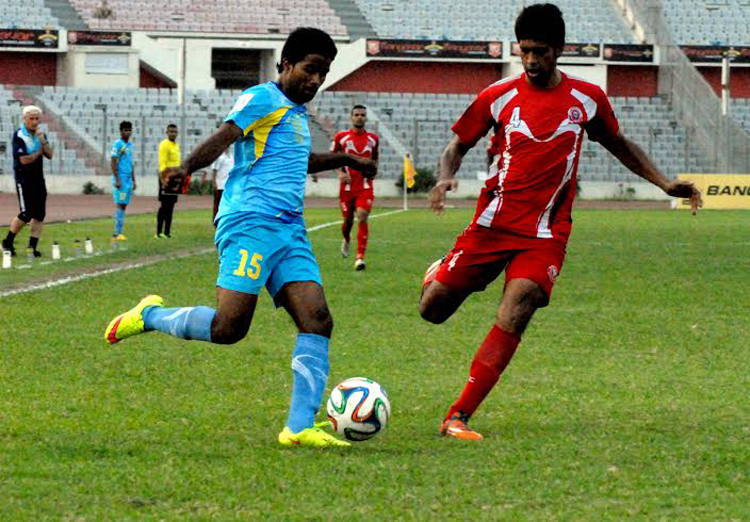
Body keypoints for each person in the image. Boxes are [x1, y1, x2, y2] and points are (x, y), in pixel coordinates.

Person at [419, 3, 703, 441]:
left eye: (541, 52)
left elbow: (619, 144)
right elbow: (456, 146)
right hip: (492, 224)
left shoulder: (586, 100)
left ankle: (457, 416)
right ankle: (440, 271)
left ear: (560, 49)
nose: (531, 61)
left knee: (519, 306)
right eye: (525, 51)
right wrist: (444, 178)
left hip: (546, 233)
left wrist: (664, 184)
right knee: (433, 311)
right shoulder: (499, 96)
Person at [104, 27, 377, 448]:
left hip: (289, 230)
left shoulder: (296, 113)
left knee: (317, 319)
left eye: (323, 73)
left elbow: (295, 160)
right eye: (310, 70)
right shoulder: (261, 97)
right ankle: (148, 316)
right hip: (250, 222)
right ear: (286, 65)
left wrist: (346, 157)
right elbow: (224, 137)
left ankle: (299, 427)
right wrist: (187, 168)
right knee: (229, 327)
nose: (316, 81)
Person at [331, 105, 379, 270]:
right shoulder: (341, 137)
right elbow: (332, 158)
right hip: (347, 187)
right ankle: (346, 239)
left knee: (362, 215)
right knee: (348, 222)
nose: (359, 117)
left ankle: (360, 258)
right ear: (351, 117)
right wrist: (340, 173)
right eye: (357, 114)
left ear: (366, 118)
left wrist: (373, 170)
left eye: (362, 115)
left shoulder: (373, 139)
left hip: (365, 185)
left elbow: (375, 159)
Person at [2, 105, 54, 257]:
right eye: (31, 118)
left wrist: (43, 141)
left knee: (39, 215)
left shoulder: (40, 135)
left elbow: (50, 155)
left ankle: (32, 247)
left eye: (37, 118)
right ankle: (7, 242)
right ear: (24, 119)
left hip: (38, 178)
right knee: (26, 214)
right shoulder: (19, 135)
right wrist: (39, 151)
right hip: (24, 178)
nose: (34, 122)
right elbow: (24, 160)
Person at [111, 121, 136, 240]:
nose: (128, 132)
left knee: (124, 205)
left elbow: (130, 163)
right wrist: (117, 179)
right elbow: (113, 161)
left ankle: (119, 232)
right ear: (120, 131)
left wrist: (134, 180)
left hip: (128, 180)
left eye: (129, 130)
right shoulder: (118, 144)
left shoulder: (130, 145)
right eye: (125, 130)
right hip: (120, 178)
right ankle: (117, 233)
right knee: (120, 205)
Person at [156, 123, 181, 238]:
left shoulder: (176, 146)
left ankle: (167, 232)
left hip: (175, 179)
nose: (173, 134)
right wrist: (164, 180)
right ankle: (158, 232)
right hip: (166, 178)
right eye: (171, 131)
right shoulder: (164, 145)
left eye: (175, 132)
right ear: (167, 133)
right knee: (164, 206)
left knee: (171, 205)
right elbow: (162, 164)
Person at [211, 147, 233, 223]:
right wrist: (214, 184)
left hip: (229, 185)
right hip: (220, 185)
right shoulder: (219, 157)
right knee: (218, 204)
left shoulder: (231, 157)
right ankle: (216, 221)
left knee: (227, 204)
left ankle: (225, 220)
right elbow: (214, 171)